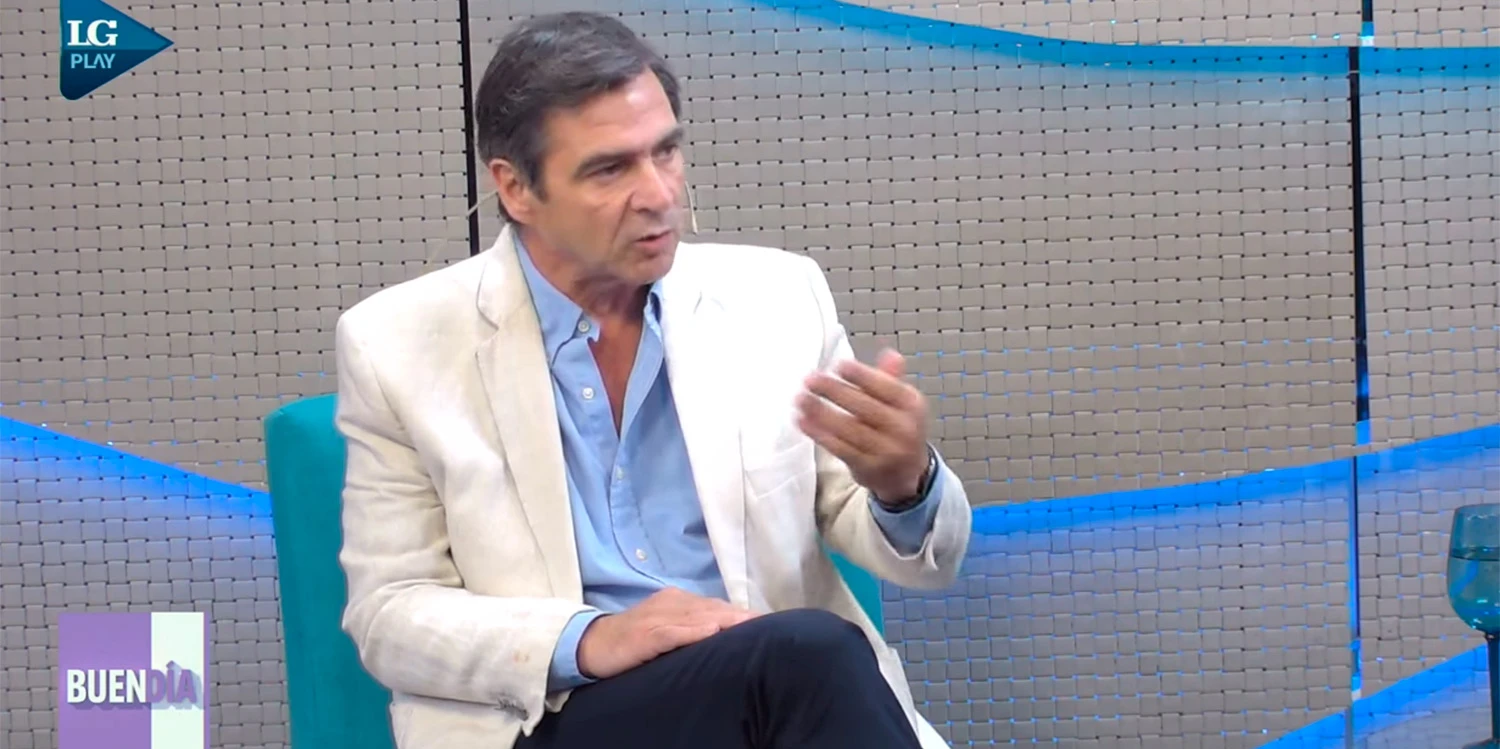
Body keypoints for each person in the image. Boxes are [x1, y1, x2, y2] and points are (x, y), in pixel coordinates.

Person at [332, 10, 973, 749]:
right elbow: (390, 613)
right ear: (516, 188)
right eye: (610, 169)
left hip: (768, 700)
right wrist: (588, 637)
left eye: (665, 151)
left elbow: (919, 560)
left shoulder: (778, 297)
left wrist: (903, 487)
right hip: (558, 715)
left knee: (802, 659)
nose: (659, 193)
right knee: (809, 653)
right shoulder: (397, 344)